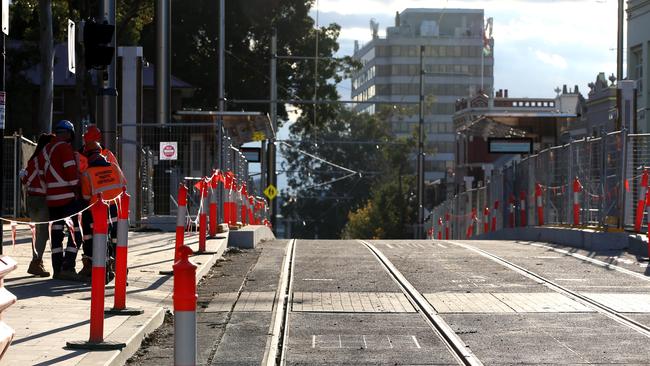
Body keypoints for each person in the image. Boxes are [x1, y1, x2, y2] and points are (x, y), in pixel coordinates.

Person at [42, 120, 84, 281]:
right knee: (76, 234)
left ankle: (57, 269)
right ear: (68, 133)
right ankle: (68, 267)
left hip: (51, 200)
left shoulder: (46, 149)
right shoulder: (64, 148)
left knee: (56, 235)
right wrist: (78, 187)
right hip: (67, 198)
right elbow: (71, 176)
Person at [79, 141, 127, 281]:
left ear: (87, 155)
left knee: (96, 239)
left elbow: (86, 197)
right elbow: (124, 185)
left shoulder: (87, 174)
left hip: (97, 212)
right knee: (116, 240)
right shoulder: (114, 167)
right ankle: (119, 268)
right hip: (117, 209)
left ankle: (100, 267)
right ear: (101, 152)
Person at [20, 133, 54, 277]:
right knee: (43, 233)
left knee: (37, 233)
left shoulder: (32, 160)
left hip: (31, 199)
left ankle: (36, 261)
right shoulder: (45, 159)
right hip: (42, 199)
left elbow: (25, 178)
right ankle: (36, 262)